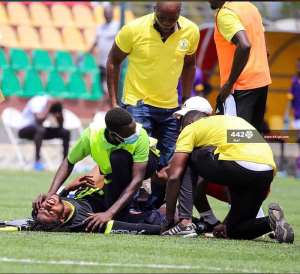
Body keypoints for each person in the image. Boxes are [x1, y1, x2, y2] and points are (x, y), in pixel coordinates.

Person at [162, 102, 294, 243]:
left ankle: (184, 223)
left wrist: (169, 219)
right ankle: (271, 222)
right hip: (265, 172)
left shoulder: (191, 128)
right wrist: (225, 222)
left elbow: (175, 176)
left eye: (180, 121)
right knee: (234, 230)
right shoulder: (234, 121)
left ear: (189, 120)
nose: (179, 126)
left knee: (186, 160)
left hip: (237, 165)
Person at [107, 1, 200, 175]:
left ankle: (156, 202)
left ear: (179, 13)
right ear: (154, 10)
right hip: (137, 104)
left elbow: (189, 65)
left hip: (171, 107)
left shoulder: (191, 31)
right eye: (161, 17)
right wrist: (113, 102)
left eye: (171, 19)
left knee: (167, 162)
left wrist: (186, 100)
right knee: (139, 159)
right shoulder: (133, 29)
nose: (166, 23)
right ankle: (133, 201)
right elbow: (113, 61)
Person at [33, 107, 159, 232]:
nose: (135, 134)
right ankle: (142, 206)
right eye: (49, 211)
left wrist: (54, 192)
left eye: (44, 208)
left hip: (147, 163)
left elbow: (137, 179)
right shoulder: (91, 136)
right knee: (120, 210)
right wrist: (109, 213)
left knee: (117, 159)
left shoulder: (139, 134)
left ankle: (138, 195)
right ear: (113, 134)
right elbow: (69, 161)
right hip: (110, 174)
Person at [209, 1, 271, 133]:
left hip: (240, 86)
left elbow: (244, 45)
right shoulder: (250, 7)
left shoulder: (225, 14)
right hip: (261, 81)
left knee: (236, 140)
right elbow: (265, 50)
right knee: (252, 138)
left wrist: (229, 84)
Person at [18, 95, 70, 171]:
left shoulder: (52, 103)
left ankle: (65, 164)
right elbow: (39, 120)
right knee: (40, 130)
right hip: (24, 130)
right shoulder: (36, 101)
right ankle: (37, 162)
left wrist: (59, 110)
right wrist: (48, 106)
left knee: (65, 132)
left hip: (40, 130)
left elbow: (61, 124)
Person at [87, 3, 119, 94]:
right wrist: (89, 52)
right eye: (106, 13)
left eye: (109, 13)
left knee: (111, 84)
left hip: (112, 61)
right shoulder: (100, 27)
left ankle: (111, 103)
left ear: (112, 13)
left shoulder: (117, 26)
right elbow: (96, 41)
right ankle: (105, 103)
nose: (107, 15)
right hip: (101, 61)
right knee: (103, 84)